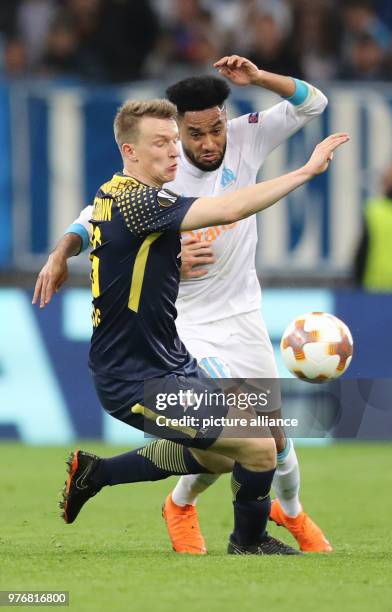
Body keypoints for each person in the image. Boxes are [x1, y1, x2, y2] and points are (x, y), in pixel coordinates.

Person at [33, 56, 333, 554]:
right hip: (178, 333)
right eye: (176, 138)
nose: (193, 146)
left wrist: (259, 79)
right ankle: (244, 536)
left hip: (217, 326)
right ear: (137, 149)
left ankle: (102, 473)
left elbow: (313, 102)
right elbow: (100, 217)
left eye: (186, 138)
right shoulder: (146, 193)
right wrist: (305, 172)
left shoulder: (230, 143)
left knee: (244, 446)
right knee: (256, 442)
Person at [354, 161, 392, 291]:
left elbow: (361, 253)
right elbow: (363, 251)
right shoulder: (374, 210)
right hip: (376, 288)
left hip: (376, 288)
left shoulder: (375, 210)